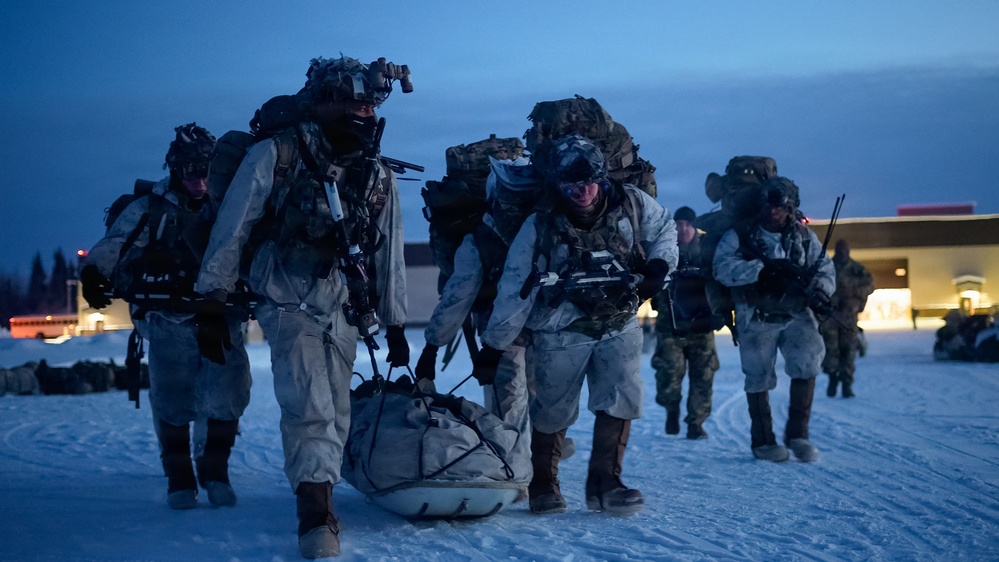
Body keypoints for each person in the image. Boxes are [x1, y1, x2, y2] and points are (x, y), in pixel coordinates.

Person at [195, 56, 410, 559]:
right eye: (356, 104)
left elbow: (390, 253)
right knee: (309, 408)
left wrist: (396, 321)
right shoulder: (277, 154)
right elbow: (233, 227)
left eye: (370, 106)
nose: (365, 115)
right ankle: (315, 515)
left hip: (343, 305)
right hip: (286, 300)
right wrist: (212, 299)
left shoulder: (376, 173)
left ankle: (323, 491)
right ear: (327, 103)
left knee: (337, 410)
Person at [473, 134, 678, 515]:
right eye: (570, 186)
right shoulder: (539, 225)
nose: (581, 192)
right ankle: (543, 485)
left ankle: (607, 483)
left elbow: (665, 229)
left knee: (620, 400)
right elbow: (516, 288)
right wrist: (494, 345)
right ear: (557, 185)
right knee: (553, 409)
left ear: (601, 179)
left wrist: (659, 266)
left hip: (619, 321)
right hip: (560, 328)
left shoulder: (632, 203)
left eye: (588, 183)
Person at [80, 123, 251, 510]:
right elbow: (116, 243)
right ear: (175, 169)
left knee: (228, 396)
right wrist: (94, 273)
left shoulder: (231, 204)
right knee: (172, 402)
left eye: (205, 172)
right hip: (168, 319)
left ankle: (215, 472)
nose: (199, 182)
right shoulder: (151, 208)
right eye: (190, 172)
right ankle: (179, 479)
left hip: (222, 317)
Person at [415, 158, 542, 487]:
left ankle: (526, 470)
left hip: (522, 334)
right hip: (515, 336)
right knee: (521, 401)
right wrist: (432, 345)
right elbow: (458, 296)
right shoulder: (484, 239)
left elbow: (457, 295)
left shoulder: (486, 237)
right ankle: (521, 472)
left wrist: (432, 346)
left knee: (516, 401)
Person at [712, 176, 835, 463]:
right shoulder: (741, 235)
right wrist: (760, 271)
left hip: (797, 313)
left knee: (807, 363)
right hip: (757, 315)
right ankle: (763, 441)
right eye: (768, 205)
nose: (773, 211)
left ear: (791, 207)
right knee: (758, 376)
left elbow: (826, 270)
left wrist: (818, 290)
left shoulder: (805, 237)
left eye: (780, 206)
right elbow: (722, 267)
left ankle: (798, 435)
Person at [649, 206, 722, 439]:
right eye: (679, 224)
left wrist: (720, 313)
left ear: (695, 227)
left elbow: (722, 284)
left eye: (688, 225)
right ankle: (672, 409)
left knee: (704, 376)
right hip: (671, 326)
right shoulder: (664, 251)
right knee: (669, 372)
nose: (683, 229)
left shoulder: (708, 253)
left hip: (702, 325)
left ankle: (696, 423)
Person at [820, 239, 874, 398]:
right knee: (831, 350)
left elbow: (869, 285)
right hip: (830, 316)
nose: (842, 252)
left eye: (845, 249)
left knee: (849, 351)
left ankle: (846, 384)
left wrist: (852, 291)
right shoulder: (826, 267)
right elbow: (817, 285)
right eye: (840, 249)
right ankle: (832, 378)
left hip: (849, 316)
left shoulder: (857, 269)